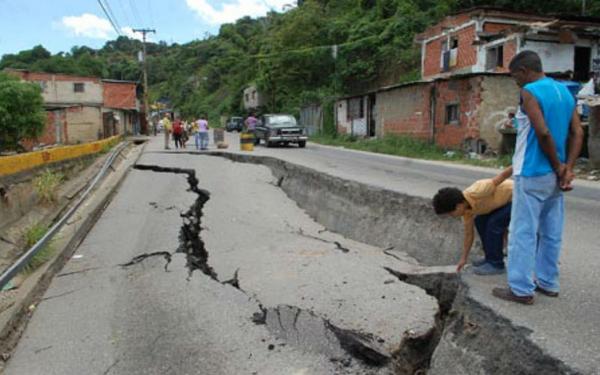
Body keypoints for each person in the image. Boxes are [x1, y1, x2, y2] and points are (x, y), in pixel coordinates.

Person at [492, 50, 584, 305]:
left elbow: (542, 133)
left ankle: (520, 289)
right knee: (551, 230)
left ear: (523, 71)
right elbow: (577, 132)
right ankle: (548, 282)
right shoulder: (565, 91)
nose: (516, 82)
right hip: (556, 175)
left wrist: (557, 166)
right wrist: (568, 168)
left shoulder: (530, 91)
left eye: (515, 77)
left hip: (532, 171)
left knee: (523, 232)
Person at [433, 166, 513, 275]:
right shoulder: (466, 212)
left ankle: (496, 264)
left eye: (451, 213)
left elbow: (502, 176)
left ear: (458, 206)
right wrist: (463, 259)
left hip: (517, 197)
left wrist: (518, 162)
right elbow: (468, 235)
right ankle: (490, 257)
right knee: (480, 221)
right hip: (502, 204)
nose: (452, 216)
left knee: (494, 223)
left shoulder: (478, 191)